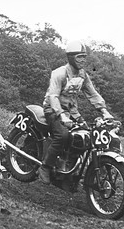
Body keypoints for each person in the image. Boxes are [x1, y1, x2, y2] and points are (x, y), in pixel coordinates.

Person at [39, 40, 114, 186]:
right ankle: (45, 167)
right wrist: (61, 115)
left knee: (85, 136)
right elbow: (53, 96)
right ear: (71, 57)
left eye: (84, 57)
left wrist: (105, 112)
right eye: (79, 57)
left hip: (72, 111)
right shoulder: (59, 73)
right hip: (53, 109)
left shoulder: (82, 75)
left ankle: (69, 168)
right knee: (63, 136)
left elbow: (92, 94)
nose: (83, 60)